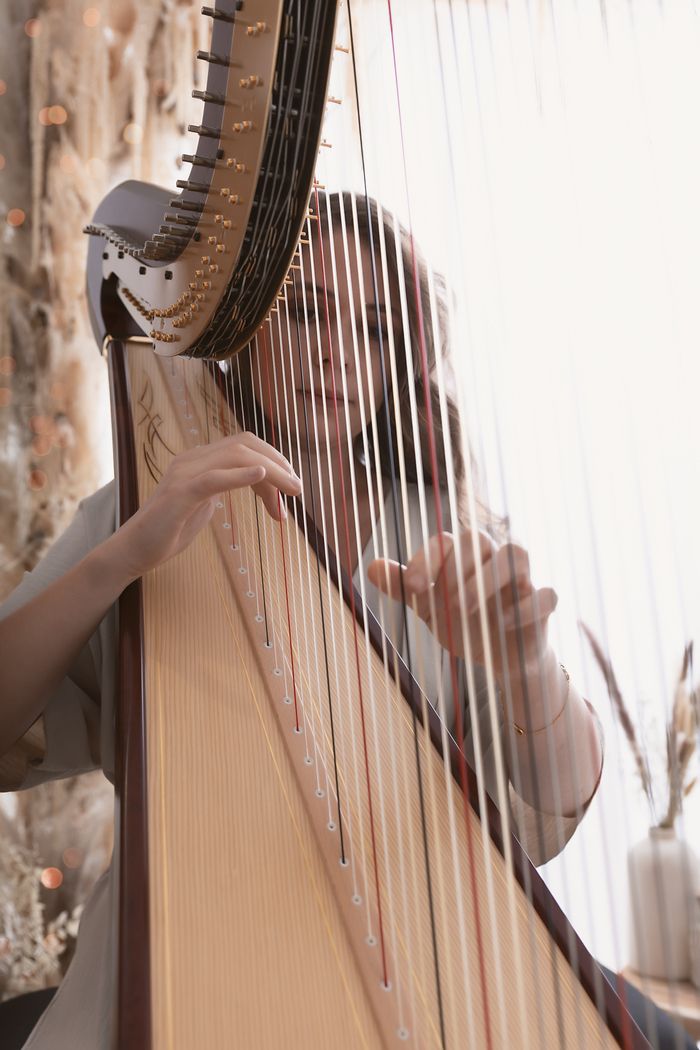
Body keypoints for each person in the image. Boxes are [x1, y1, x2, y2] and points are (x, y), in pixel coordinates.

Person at [0, 191, 688, 1050]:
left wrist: (525, 667)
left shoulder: (447, 529)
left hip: (423, 963)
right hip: (179, 952)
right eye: (308, 315)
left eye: (371, 328)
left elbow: (547, 822)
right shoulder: (143, 514)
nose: (338, 354)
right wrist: (119, 561)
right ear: (240, 327)